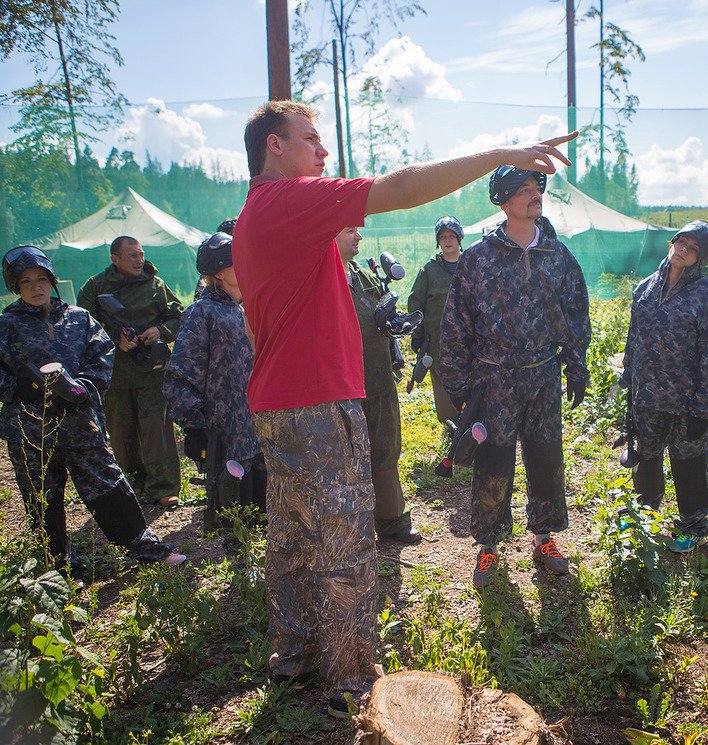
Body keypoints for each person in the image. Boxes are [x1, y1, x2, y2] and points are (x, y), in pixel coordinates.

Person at [231, 99, 575, 708]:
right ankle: (352, 679)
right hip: (317, 402)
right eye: (309, 139)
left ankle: (295, 653)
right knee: (344, 538)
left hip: (279, 401)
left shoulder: (257, 214)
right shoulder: (288, 199)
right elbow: (401, 187)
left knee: (292, 537)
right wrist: (503, 154)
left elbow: (261, 326)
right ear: (274, 146)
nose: (323, 150)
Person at [440, 166, 591, 589]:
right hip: (494, 378)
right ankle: (488, 545)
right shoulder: (477, 258)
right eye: (523, 190)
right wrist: (459, 385)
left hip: (543, 374)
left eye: (536, 189)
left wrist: (576, 365)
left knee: (546, 458)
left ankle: (544, 538)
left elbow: (576, 313)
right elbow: (455, 324)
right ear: (504, 201)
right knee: (493, 461)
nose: (533, 195)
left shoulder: (558, 256)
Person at [0, 246, 185, 580]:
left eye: (41, 279)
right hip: (31, 432)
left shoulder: (78, 318)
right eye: (26, 282)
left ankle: (146, 549)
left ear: (52, 280)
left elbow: (102, 357)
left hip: (79, 424)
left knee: (108, 486)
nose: (36, 287)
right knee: (42, 500)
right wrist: (21, 387)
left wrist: (82, 387)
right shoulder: (6, 326)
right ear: (15, 286)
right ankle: (60, 567)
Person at [619, 221, 708, 553]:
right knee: (647, 456)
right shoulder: (645, 288)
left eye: (693, 248)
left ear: (701, 258)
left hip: (687, 400)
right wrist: (628, 380)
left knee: (688, 461)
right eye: (681, 242)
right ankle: (644, 513)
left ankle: (693, 526)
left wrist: (705, 404)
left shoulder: (707, 294)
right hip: (647, 395)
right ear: (672, 243)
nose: (683, 249)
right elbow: (633, 340)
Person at [164, 232, 266, 536]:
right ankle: (238, 553)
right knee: (232, 511)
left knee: (262, 507)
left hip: (258, 425)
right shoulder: (202, 312)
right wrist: (193, 425)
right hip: (225, 430)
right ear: (219, 273)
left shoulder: (249, 307)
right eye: (238, 262)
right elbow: (181, 373)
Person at [77, 236, 183, 508]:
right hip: (114, 373)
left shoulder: (155, 285)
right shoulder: (96, 287)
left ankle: (164, 487)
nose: (140, 260)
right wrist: (115, 338)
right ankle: (133, 484)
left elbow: (178, 317)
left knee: (156, 427)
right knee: (121, 431)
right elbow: (82, 325)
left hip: (152, 370)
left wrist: (160, 331)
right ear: (115, 259)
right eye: (132, 255)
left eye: (141, 254)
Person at [337, 225, 420, 544]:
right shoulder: (319, 277)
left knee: (385, 447)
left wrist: (394, 321)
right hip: (340, 387)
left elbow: (381, 313)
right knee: (345, 459)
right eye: (349, 231)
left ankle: (392, 520)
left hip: (378, 378)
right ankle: (350, 529)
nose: (358, 237)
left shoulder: (363, 276)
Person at [407, 216, 464, 424]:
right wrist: (418, 335)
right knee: (442, 383)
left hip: (469, 340)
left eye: (451, 236)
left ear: (459, 238)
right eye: (442, 237)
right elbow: (416, 303)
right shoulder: (429, 270)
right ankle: (450, 424)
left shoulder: (471, 264)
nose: (447, 241)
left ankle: (472, 421)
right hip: (438, 342)